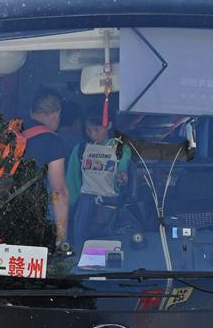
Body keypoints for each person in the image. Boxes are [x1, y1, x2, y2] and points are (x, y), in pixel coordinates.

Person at [67, 112, 133, 250]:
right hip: (85, 204)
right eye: (88, 130)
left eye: (96, 129)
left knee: (108, 246)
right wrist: (67, 207)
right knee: (82, 247)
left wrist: (122, 177)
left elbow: (123, 170)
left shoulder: (121, 148)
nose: (92, 134)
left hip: (110, 205)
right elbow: (72, 180)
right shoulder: (80, 149)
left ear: (108, 125)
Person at [23, 87, 71, 249]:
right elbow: (58, 192)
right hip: (36, 223)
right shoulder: (53, 141)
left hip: (5, 221)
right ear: (57, 113)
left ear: (31, 112)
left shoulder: (11, 134)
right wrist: (61, 238)